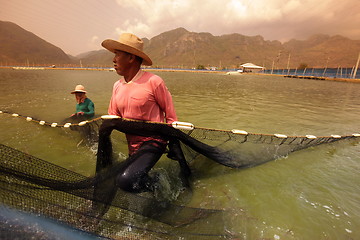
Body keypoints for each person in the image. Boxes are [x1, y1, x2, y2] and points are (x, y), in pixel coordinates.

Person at [97, 33, 189, 193]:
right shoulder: (117, 86)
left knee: (125, 181)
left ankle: (158, 185)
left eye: (117, 54)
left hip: (154, 141)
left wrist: (172, 142)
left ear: (131, 58)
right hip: (133, 145)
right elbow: (113, 118)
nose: (113, 59)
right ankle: (153, 182)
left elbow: (171, 116)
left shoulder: (154, 82)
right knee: (122, 178)